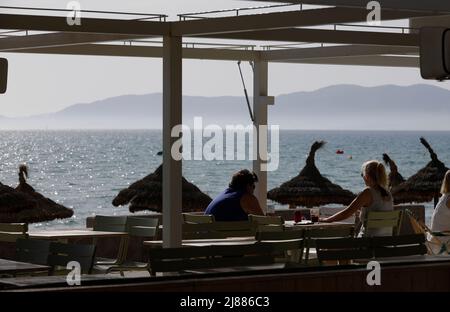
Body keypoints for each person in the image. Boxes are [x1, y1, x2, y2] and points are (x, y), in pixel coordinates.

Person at [320, 160, 394, 236]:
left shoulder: (368, 192)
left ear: (367, 176)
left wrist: (327, 220)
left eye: (362, 175)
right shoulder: (388, 194)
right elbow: (377, 210)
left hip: (367, 243)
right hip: (386, 243)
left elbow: (346, 213)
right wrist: (363, 214)